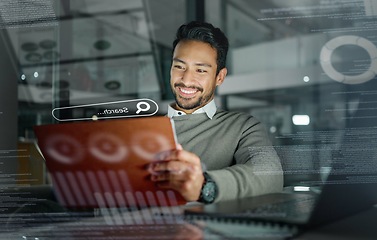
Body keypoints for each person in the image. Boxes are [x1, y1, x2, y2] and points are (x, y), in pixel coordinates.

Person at [149, 21, 283, 203]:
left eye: (200, 70)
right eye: (179, 67)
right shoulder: (144, 128)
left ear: (219, 77)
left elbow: (270, 174)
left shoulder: (244, 127)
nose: (186, 80)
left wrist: (205, 185)